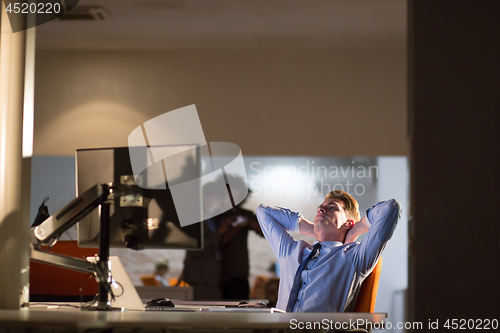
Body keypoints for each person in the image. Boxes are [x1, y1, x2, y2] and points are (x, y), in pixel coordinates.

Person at [256, 190, 401, 312]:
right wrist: (315, 229)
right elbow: (263, 212)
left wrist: (353, 231)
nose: (321, 209)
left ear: (348, 223)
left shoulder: (354, 257)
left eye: (332, 207)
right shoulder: (291, 251)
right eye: (321, 207)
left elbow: (391, 208)